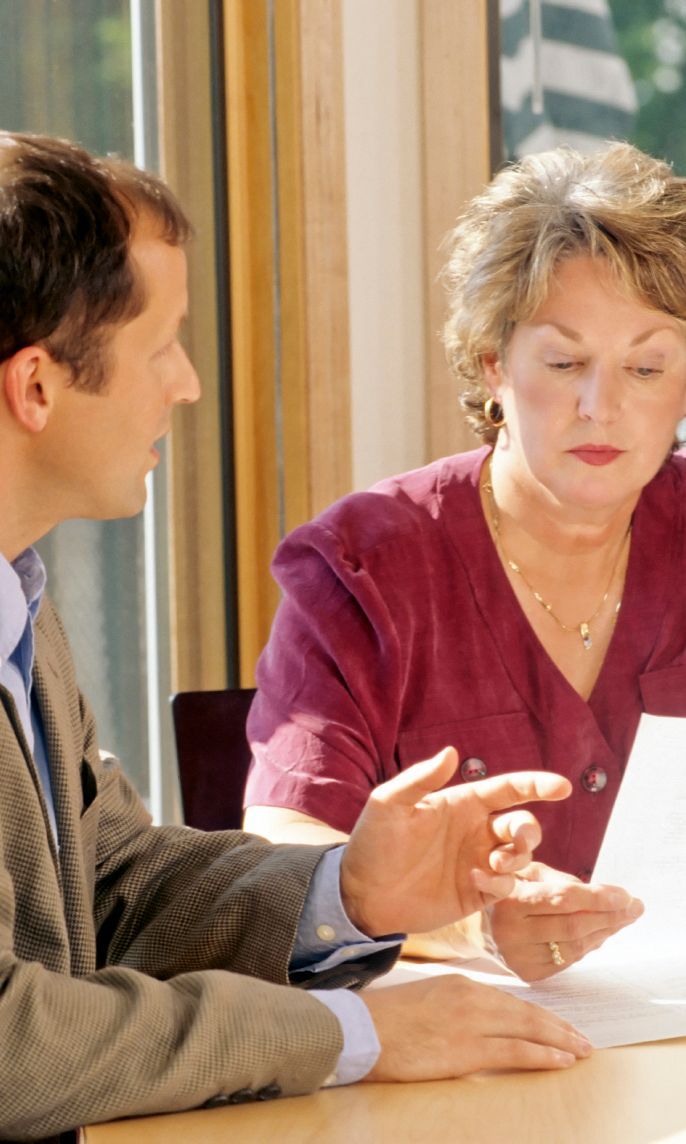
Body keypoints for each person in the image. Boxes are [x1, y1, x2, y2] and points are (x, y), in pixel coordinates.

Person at [0, 131, 592, 1144]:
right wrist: (349, 1035)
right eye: (162, 345)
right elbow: (13, 1043)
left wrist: (347, 890)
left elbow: (109, 889)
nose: (187, 384)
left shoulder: (21, 598)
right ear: (37, 387)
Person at [243, 140, 686, 980]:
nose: (602, 406)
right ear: (494, 364)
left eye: (646, 366)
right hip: (458, 1034)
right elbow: (286, 850)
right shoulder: (363, 567)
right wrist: (472, 929)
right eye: (564, 362)